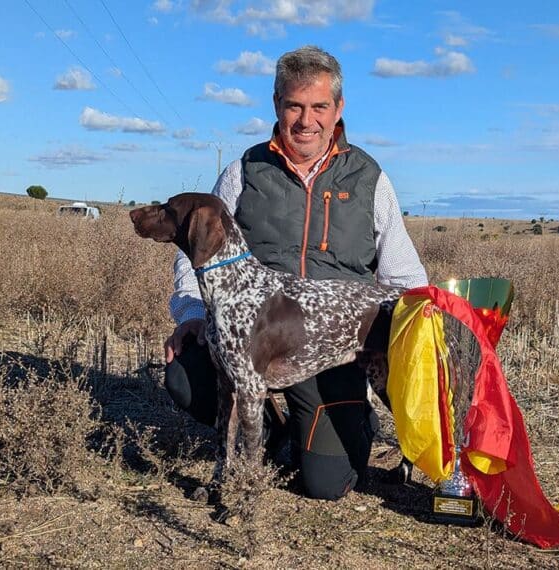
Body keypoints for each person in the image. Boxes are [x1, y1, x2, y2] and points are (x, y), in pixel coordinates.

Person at [165, 45, 427, 500]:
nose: (307, 121)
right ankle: (262, 429)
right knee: (187, 376)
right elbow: (194, 249)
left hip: (334, 349)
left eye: (319, 107)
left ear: (338, 108)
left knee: (325, 483)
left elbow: (405, 277)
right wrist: (191, 313)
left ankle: (349, 421)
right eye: (294, 106)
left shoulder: (368, 177)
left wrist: (423, 338)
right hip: (256, 339)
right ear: (276, 105)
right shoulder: (243, 171)